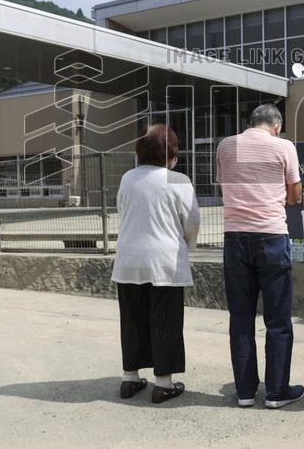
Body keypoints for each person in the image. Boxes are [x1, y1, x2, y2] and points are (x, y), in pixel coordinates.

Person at [216, 103, 304, 408]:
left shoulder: (226, 146)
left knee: (240, 318)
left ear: (251, 122)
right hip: (271, 236)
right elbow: (294, 195)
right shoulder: (284, 146)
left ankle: (244, 393)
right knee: (277, 318)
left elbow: (223, 184)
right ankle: (277, 393)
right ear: (276, 125)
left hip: (235, 237)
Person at [111, 124, 201, 404]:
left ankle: (130, 378)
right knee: (166, 320)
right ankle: (163, 383)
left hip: (128, 259)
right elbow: (193, 221)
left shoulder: (128, 178)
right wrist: (189, 244)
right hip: (165, 260)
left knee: (132, 319)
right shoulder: (178, 180)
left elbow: (121, 209)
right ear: (171, 153)